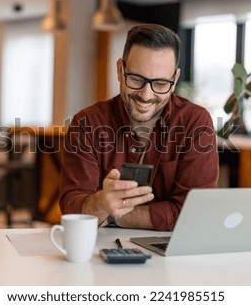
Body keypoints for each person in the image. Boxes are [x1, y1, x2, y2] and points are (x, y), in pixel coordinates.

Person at [59, 24, 219, 231]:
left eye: (160, 84)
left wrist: (112, 215)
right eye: (136, 79)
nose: (146, 95)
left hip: (172, 250)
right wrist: (100, 203)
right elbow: (72, 207)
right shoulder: (87, 123)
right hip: (101, 250)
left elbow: (195, 214)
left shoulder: (195, 122)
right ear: (120, 70)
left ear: (175, 79)